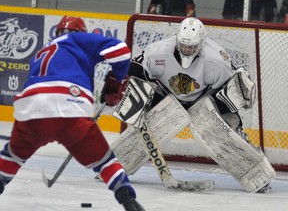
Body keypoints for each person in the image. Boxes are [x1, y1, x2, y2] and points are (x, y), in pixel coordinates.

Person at [0, 16, 145, 211]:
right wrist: (115, 80)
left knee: (11, 157)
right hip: (70, 106)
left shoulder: (40, 52)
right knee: (104, 161)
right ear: (80, 32)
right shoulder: (79, 39)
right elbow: (121, 52)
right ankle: (127, 198)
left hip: (31, 107)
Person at [128, 17, 274, 193]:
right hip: (167, 98)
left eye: (191, 46)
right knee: (142, 119)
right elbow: (135, 70)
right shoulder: (157, 52)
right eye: (183, 45)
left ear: (202, 43)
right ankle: (119, 163)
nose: (187, 50)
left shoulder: (217, 59)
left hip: (204, 101)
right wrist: (136, 98)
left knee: (227, 127)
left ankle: (256, 172)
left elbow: (235, 86)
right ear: (177, 39)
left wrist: (224, 113)